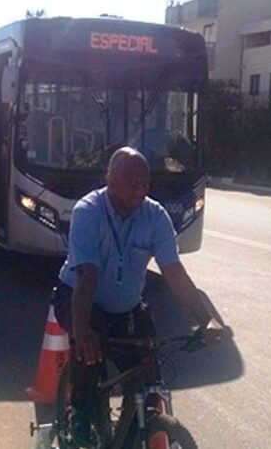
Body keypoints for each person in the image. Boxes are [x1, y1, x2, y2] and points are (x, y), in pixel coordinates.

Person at [52, 147, 225, 445]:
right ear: (110, 180)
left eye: (145, 183)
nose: (140, 189)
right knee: (89, 352)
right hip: (80, 297)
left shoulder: (155, 217)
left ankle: (139, 427)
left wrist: (206, 319)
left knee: (147, 370)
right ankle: (80, 414)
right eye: (131, 182)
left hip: (127, 305)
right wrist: (82, 330)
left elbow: (174, 272)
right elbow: (87, 276)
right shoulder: (88, 211)